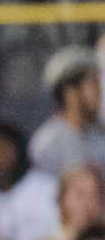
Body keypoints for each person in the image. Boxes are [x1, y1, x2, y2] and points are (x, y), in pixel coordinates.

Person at [31, 44, 105, 180]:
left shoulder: (100, 134)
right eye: (93, 84)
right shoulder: (47, 143)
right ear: (70, 92)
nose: (99, 92)